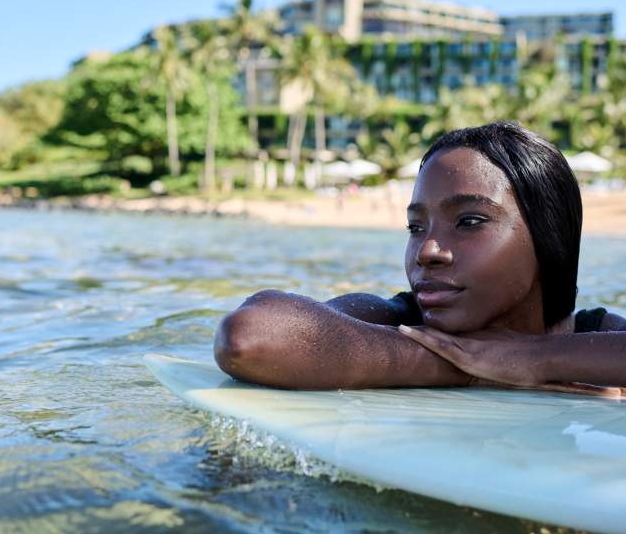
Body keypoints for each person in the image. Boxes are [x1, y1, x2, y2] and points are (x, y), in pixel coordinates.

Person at [214, 122, 626, 394]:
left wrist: (534, 358)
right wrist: (466, 365)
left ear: (548, 235)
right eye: (416, 227)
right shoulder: (399, 320)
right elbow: (249, 337)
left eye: (468, 221)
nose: (427, 251)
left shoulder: (600, 334)